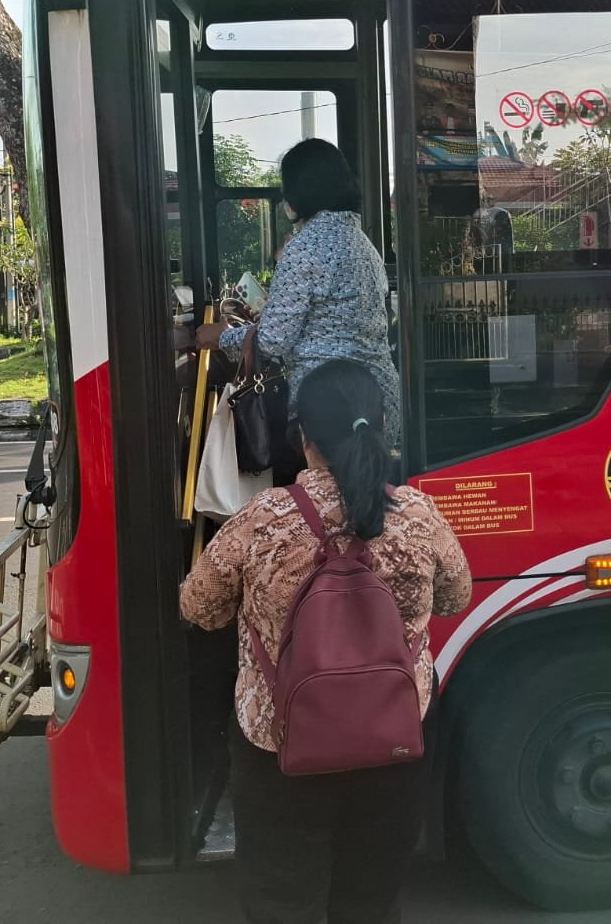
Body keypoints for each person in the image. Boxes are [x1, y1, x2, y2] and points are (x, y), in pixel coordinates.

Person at [179, 360, 471, 924]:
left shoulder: (262, 518)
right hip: (393, 742)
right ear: (380, 427)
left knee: (282, 902)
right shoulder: (416, 513)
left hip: (281, 750)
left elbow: (199, 607)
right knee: (371, 900)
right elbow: (455, 596)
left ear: (304, 438)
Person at [194, 139, 401, 461]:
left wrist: (221, 337)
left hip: (329, 408)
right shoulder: (362, 243)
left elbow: (274, 342)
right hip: (377, 399)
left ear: (299, 192)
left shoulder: (305, 248)